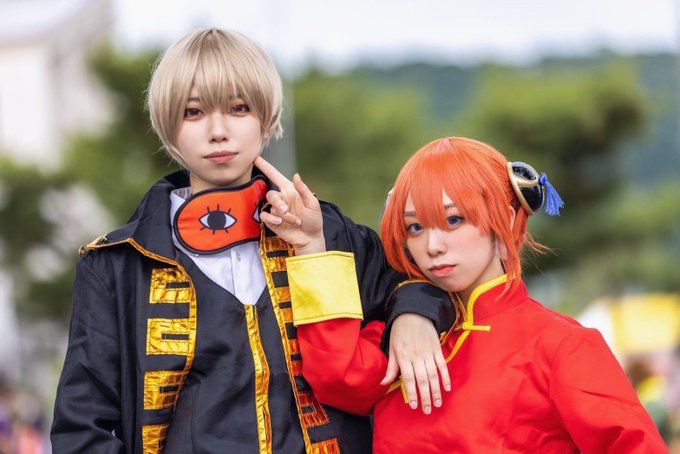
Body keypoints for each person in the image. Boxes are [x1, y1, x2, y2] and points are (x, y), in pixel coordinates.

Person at [50, 28, 453, 453]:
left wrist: (413, 317)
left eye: (238, 108)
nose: (218, 131)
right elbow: (82, 429)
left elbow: (412, 278)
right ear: (169, 124)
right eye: (193, 112)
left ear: (266, 117)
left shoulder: (327, 231)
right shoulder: (117, 264)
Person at [260, 136, 669, 453]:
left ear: (505, 217)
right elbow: (337, 378)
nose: (432, 245)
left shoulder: (561, 345)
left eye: (453, 220)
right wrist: (312, 246)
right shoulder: (404, 336)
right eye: (415, 227)